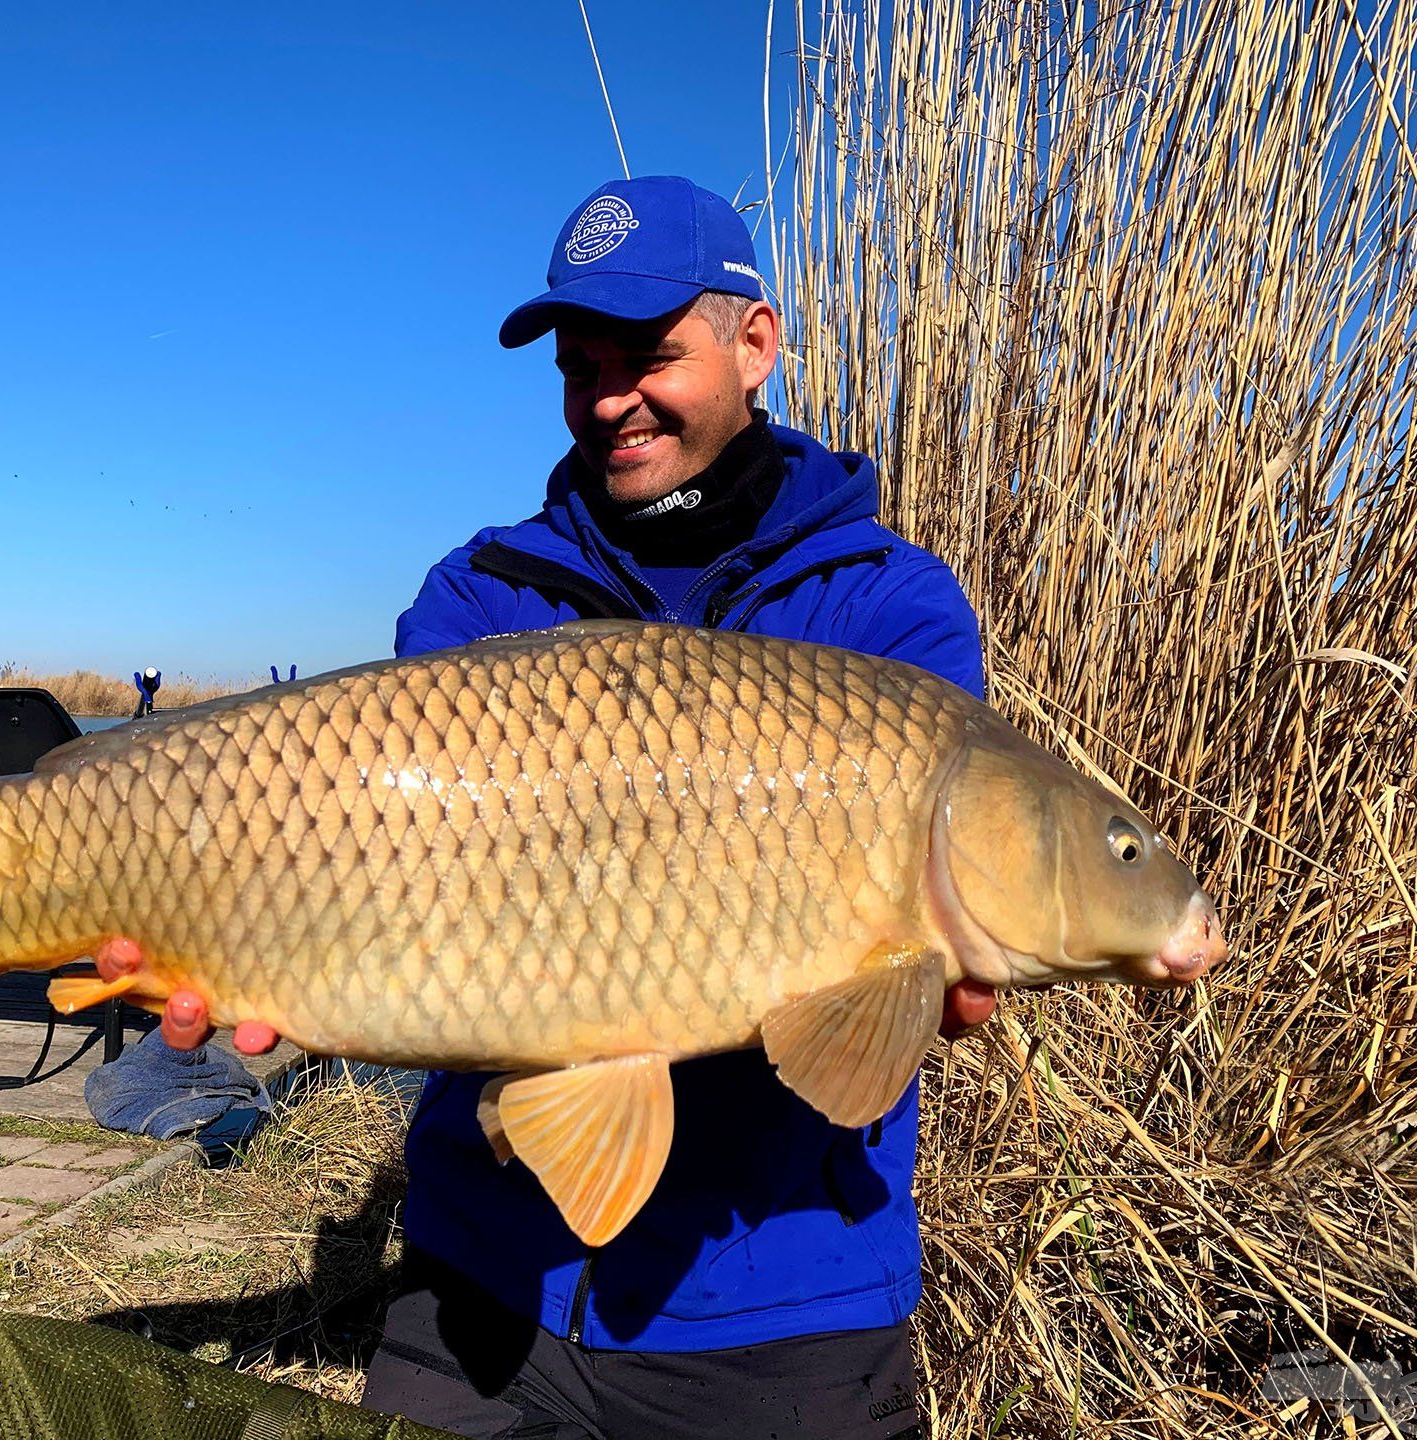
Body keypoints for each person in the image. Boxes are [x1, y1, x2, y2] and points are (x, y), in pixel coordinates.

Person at [360, 176, 997, 1440]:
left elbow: (883, 1029)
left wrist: (932, 980)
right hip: (484, 1274)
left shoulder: (891, 615)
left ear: (755, 343)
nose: (609, 400)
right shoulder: (480, 596)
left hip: (786, 1300)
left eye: (649, 356)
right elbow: (385, 881)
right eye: (581, 365)